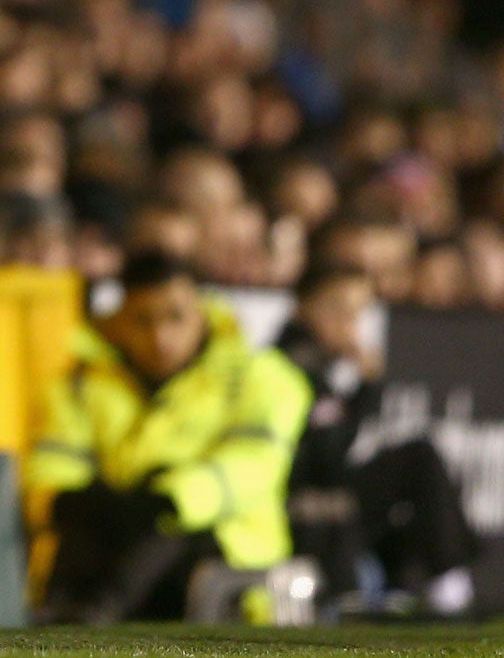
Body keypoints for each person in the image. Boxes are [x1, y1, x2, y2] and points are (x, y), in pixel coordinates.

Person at [24, 252, 312, 623]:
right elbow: (51, 467)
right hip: (117, 543)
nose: (161, 338)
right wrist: (69, 499)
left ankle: (93, 620)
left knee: (169, 529)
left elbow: (255, 465)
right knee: (83, 525)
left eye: (176, 317)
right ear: (120, 320)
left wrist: (170, 499)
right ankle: (63, 627)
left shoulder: (260, 376)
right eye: (143, 320)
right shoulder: (80, 382)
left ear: (204, 311)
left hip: (227, 552)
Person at [277, 263, 478, 616]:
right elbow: (327, 458)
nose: (349, 323)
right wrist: (367, 388)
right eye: (337, 308)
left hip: (323, 500)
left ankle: (430, 585)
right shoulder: (291, 362)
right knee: (416, 459)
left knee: (413, 487)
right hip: (303, 508)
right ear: (301, 306)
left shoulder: (314, 363)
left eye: (358, 312)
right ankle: (450, 584)